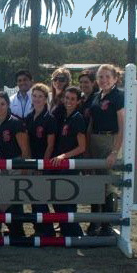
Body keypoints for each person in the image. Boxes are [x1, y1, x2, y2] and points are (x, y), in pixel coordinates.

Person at [87, 64, 125, 236]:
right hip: (94, 140)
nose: (104, 80)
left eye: (107, 76)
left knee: (107, 184)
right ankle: (94, 222)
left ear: (115, 78)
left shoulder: (118, 97)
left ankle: (107, 225)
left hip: (110, 140)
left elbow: (122, 126)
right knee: (95, 183)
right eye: (100, 77)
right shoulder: (96, 96)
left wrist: (115, 151)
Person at [0, 91, 30, 238]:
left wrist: (24, 168)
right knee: (5, 198)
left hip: (16, 163)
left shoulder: (15, 122)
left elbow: (25, 150)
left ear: (8, 105)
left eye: (2, 104)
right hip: (2, 165)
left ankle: (18, 231)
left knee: (14, 200)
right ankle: (12, 229)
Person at [50, 87, 85, 237]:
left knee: (66, 200)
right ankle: (66, 230)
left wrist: (64, 156)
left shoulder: (78, 118)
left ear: (78, 101)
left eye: (72, 99)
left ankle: (76, 233)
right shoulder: (64, 116)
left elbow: (82, 147)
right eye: (67, 98)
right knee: (58, 199)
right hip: (60, 163)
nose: (69, 101)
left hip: (71, 164)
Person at [25, 83, 57, 236]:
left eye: (40, 96)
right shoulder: (29, 117)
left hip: (43, 163)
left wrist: (42, 165)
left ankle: (47, 230)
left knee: (40, 198)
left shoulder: (49, 118)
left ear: (46, 99)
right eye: (35, 96)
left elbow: (50, 145)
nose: (37, 99)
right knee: (33, 197)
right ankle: (39, 228)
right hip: (31, 161)